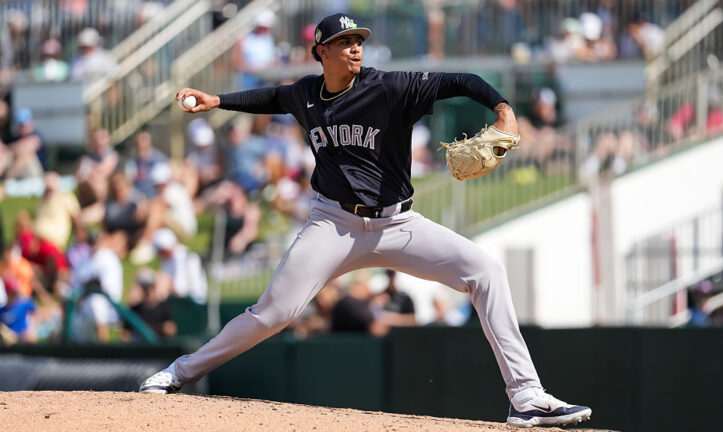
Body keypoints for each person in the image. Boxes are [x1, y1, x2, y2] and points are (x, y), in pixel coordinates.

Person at [139, 13, 591, 427]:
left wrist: (504, 109)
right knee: (274, 313)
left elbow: (463, 79)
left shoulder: (391, 87)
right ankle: (177, 373)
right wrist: (216, 100)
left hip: (399, 225)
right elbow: (271, 97)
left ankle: (526, 396)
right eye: (344, 41)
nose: (355, 47)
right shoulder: (305, 94)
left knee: (486, 272)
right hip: (333, 224)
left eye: (358, 40)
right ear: (321, 52)